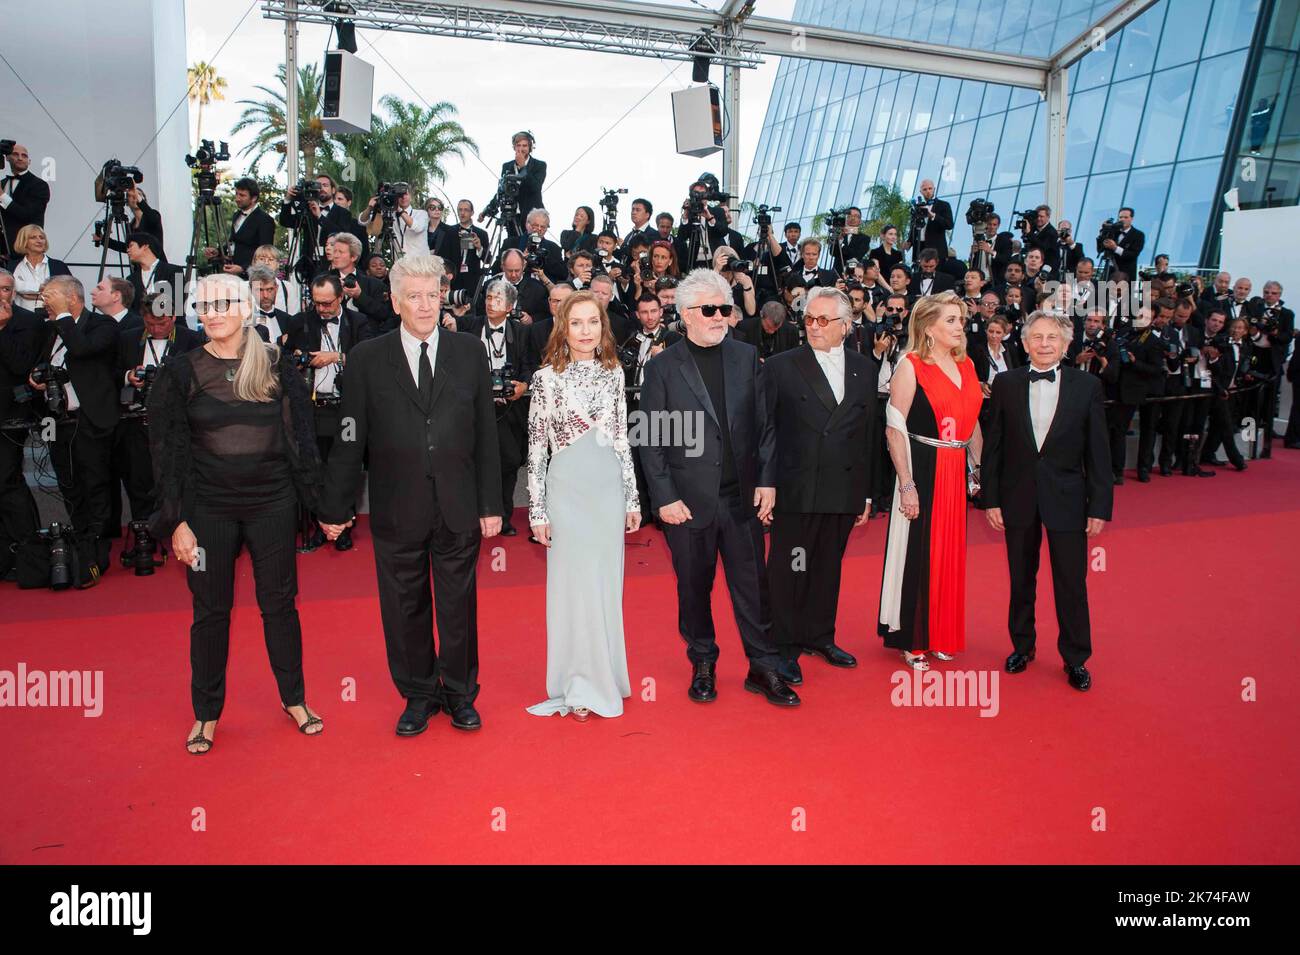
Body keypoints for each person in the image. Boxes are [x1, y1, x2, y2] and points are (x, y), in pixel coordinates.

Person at [317, 254, 502, 736]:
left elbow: (486, 433)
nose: (424, 305)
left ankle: (459, 692)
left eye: (432, 295)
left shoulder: (469, 351)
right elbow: (350, 437)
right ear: (395, 301)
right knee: (404, 607)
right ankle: (419, 694)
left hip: (458, 503)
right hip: (397, 506)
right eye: (414, 296)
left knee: (458, 606)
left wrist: (490, 504)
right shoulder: (366, 358)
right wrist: (335, 505)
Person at [146, 273, 325, 754]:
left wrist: (320, 504)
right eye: (204, 306)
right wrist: (177, 522)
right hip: (208, 512)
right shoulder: (180, 371)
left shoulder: (276, 364)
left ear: (246, 308)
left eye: (223, 304)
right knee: (210, 610)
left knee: (280, 605)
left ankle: (295, 699)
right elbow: (166, 452)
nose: (212, 314)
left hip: (273, 505)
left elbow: (300, 439)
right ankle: (205, 713)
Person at [638, 268, 798, 707]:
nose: (719, 317)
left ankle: (763, 666)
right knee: (694, 588)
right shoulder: (662, 368)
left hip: (741, 498)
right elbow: (650, 440)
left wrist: (767, 481)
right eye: (709, 309)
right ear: (685, 313)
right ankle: (703, 661)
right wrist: (665, 498)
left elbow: (766, 426)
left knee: (754, 587)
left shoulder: (746, 356)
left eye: (724, 309)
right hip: (687, 504)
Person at [981, 312, 1113, 691]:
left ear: (1066, 345)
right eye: (1036, 337)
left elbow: (1098, 452)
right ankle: (1022, 646)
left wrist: (1099, 506)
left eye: (1052, 337)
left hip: (1068, 499)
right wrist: (991, 499)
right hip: (1017, 496)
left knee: (1071, 581)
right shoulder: (1006, 383)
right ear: (1023, 343)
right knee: (1021, 578)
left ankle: (1076, 657)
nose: (1043, 344)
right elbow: (994, 446)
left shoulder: (1087, 386)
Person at [525, 291, 640, 720]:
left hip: (607, 491)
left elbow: (621, 439)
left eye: (593, 322)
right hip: (567, 492)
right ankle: (577, 682)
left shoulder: (614, 373)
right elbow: (536, 448)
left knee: (605, 586)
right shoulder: (545, 379)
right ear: (563, 328)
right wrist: (537, 510)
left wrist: (631, 497)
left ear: (603, 328)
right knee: (573, 589)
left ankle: (606, 674)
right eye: (576, 323)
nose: (586, 331)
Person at [763, 287, 877, 686]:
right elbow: (765, 431)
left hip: (842, 489)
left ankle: (819, 635)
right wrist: (766, 485)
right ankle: (783, 645)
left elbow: (868, 435)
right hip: (795, 490)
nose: (813, 326)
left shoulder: (865, 368)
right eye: (809, 319)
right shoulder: (780, 366)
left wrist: (866, 493)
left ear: (845, 326)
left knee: (828, 566)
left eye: (823, 320)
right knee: (792, 566)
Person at [877, 291, 984, 670]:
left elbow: (972, 422)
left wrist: (977, 468)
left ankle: (939, 631)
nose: (960, 326)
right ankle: (912, 638)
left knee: (948, 553)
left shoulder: (967, 364)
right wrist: (906, 484)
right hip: (922, 465)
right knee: (919, 553)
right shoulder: (910, 365)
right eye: (951, 320)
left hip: (954, 467)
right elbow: (894, 428)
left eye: (961, 320)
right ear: (927, 327)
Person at [7, 225, 71, 309]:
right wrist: (41, 287)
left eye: (42, 237)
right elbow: (11, 286)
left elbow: (68, 291)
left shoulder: (59, 266)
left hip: (52, 315)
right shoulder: (12, 266)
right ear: (23, 241)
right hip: (20, 316)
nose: (39, 241)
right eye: (33, 237)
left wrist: (37, 296)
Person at [1, 143, 51, 248]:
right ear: (7, 158)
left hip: (26, 247)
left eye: (24, 155)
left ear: (29, 161)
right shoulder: (2, 183)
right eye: (15, 154)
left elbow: (28, 215)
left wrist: (2, 196)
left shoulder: (39, 185)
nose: (20, 158)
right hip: (3, 248)